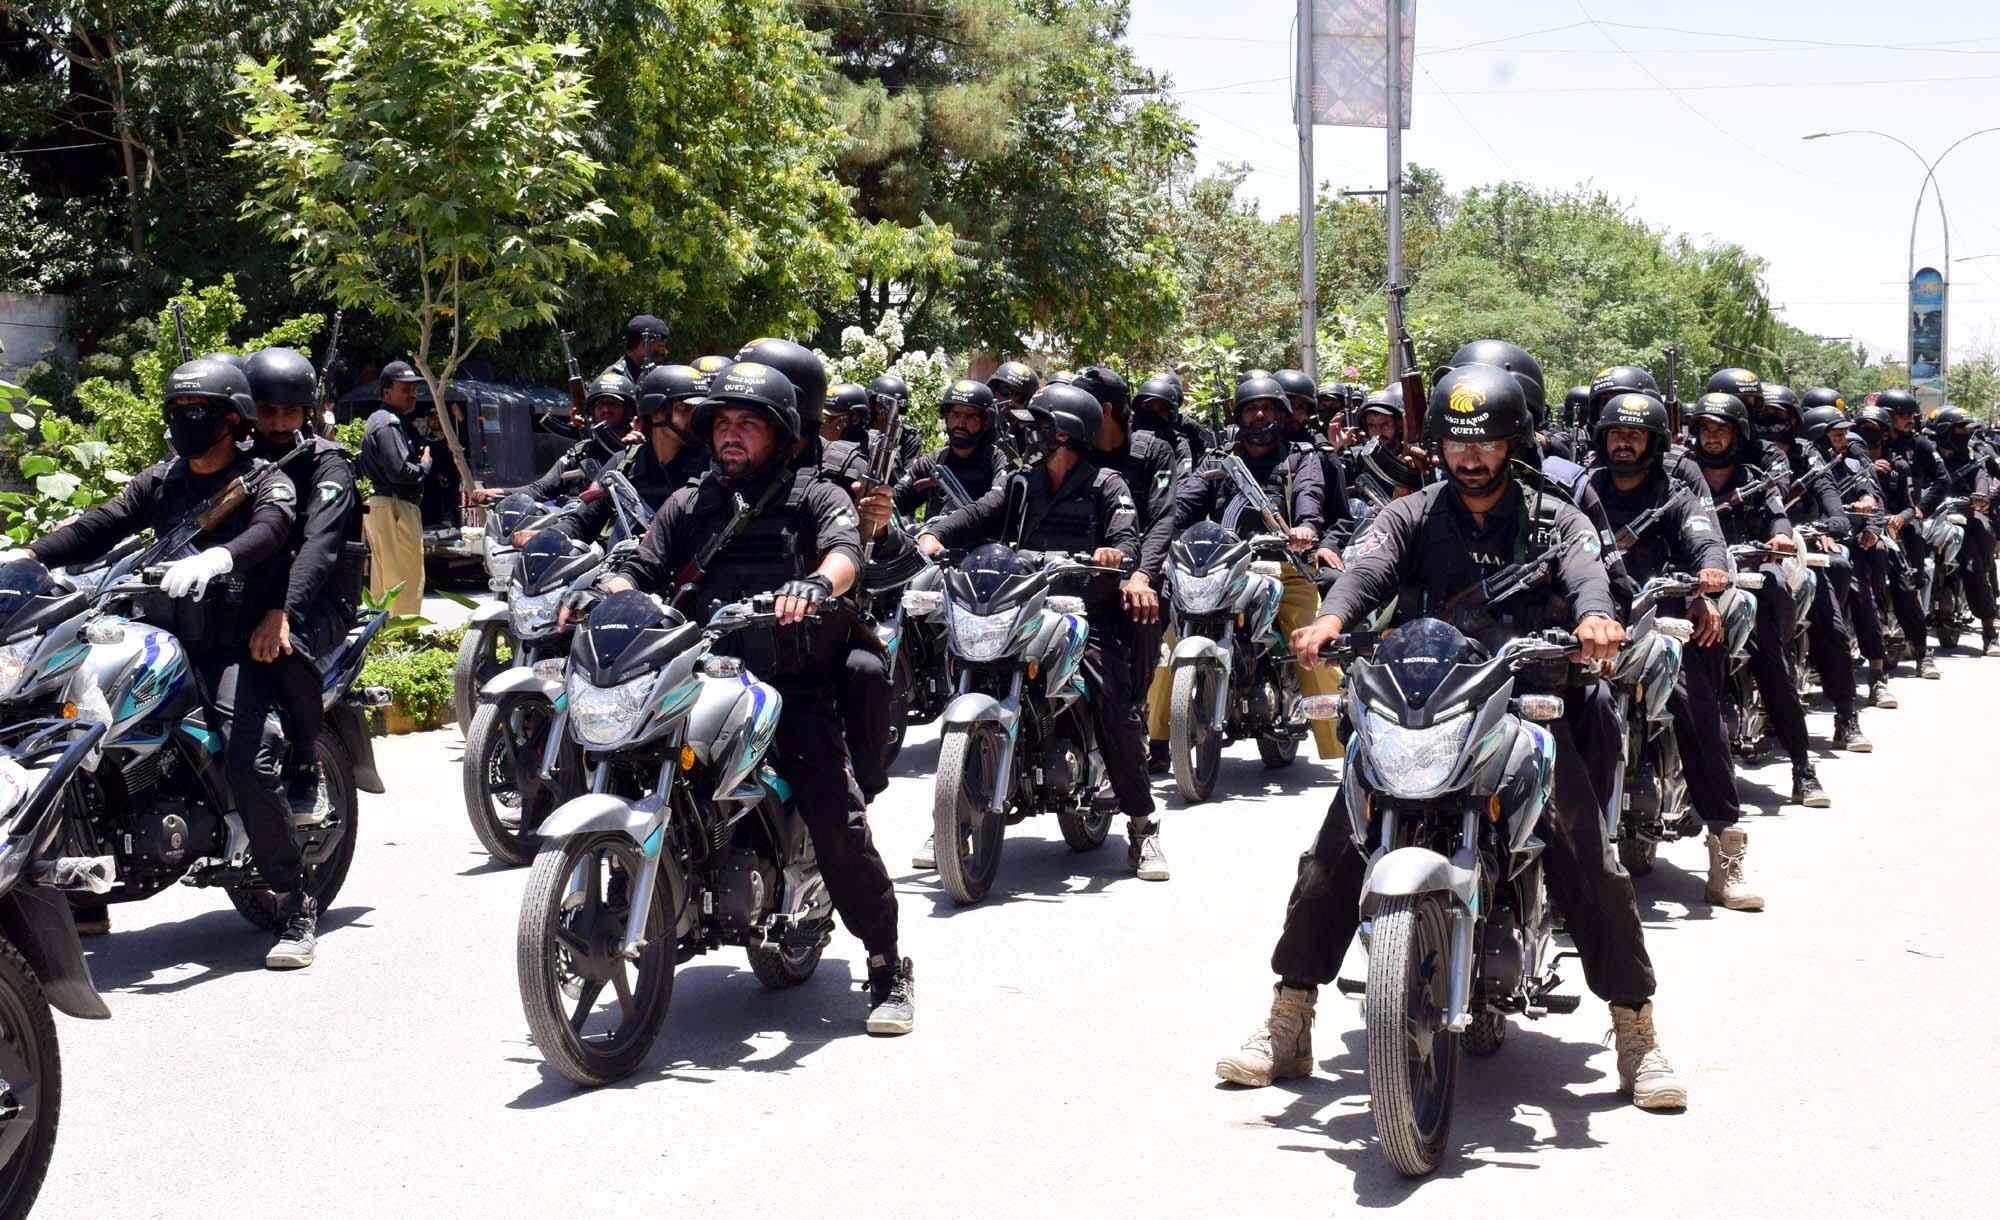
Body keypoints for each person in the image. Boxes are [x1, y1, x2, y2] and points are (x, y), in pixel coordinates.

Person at [1219, 360, 1685, 1111]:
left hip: (1521, 702)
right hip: (1424, 702)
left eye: (1487, 443)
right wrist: (1332, 619)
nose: (1470, 458)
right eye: (1458, 444)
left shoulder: (1556, 517)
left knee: (1586, 857)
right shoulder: (1410, 514)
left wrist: (1596, 618)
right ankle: (1289, 1020)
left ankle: (1636, 1032)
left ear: (1514, 443)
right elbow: (1363, 574)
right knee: (1334, 852)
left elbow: (1586, 574)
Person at [593, 359, 914, 1034]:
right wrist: (608, 591)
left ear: (782, 433)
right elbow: (642, 559)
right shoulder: (692, 500)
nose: (731, 436)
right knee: (617, 757)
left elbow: (845, 550)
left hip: (789, 685)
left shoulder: (816, 494)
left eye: (748, 424)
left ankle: (887, 964)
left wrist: (819, 585)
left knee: (835, 819)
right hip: (698, 677)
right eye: (722, 424)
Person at [9, 358, 306, 960]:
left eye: (196, 413)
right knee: (67, 732)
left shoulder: (262, 478)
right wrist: (28, 554)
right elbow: (102, 524)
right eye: (175, 412)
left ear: (233, 419)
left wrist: (218, 560)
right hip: (156, 634)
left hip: (232, 644)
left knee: (248, 761)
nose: (182, 424)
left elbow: (272, 529)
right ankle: (84, 894)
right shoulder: (163, 480)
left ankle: (294, 900)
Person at [918, 383, 1168, 882]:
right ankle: (950, 815)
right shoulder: (1020, 482)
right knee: (969, 666)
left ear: (1068, 434)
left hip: (1083, 613)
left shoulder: (1107, 484)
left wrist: (1114, 556)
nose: (1029, 436)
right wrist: (936, 534)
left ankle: (1143, 826)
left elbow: (1126, 537)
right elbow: (981, 513)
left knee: (1112, 702)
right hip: (1023, 608)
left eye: (1040, 428)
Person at [1585, 390, 1760, 909]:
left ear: (1655, 442)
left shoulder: (1676, 493)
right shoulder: (1583, 489)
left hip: (1655, 620)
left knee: (1696, 706)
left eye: (1634, 435)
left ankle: (1724, 849)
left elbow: (1705, 537)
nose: (1623, 443)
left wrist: (1708, 575)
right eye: (1616, 433)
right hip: (1589, 625)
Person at [1159, 375, 1341, 763]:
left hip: (1284, 566)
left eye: (1267, 408)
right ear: (1238, 415)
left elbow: (1311, 495)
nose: (1259, 415)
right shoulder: (1218, 460)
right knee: (1169, 640)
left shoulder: (1300, 456)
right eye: (1250, 408)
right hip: (1222, 568)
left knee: (1311, 639)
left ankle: (1340, 740)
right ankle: (1157, 741)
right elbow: (1186, 502)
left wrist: (1305, 528)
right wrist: (1159, 535)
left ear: (1281, 413)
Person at [243, 347, 365, 826]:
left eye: (288, 411)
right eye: (266, 411)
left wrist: (285, 611)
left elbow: (320, 544)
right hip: (244, 594)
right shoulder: (233, 458)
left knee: (283, 650)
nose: (276, 424)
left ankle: (304, 762)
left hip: (319, 602)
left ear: (305, 413)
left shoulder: (326, 464)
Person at [1689, 391, 1829, 806]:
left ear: (1737, 433)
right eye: (1704, 430)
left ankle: (1803, 767)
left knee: (1771, 663)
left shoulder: (1754, 475)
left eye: (1721, 430)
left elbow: (1776, 511)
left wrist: (1781, 534)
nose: (1712, 438)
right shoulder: (1682, 474)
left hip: (1743, 575)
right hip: (1695, 582)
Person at [1074, 365, 1179, 782]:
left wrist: (1142, 577)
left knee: (1146, 611)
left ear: (1103, 409)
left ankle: (1133, 709)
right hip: (1074, 573)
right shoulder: (1071, 449)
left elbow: (1162, 521)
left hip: (1136, 571)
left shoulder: (1152, 451)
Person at [1755, 383, 1870, 750]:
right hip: (1747, 554)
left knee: (1830, 622)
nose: (1772, 424)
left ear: (1794, 420)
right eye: (1764, 416)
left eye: (1779, 416)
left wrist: (1809, 530)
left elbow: (1837, 516)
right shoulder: (1745, 454)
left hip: (1798, 554)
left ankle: (1846, 714)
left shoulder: (1809, 457)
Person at [543, 364, 711, 546]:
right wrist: (546, 537)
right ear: (656, 413)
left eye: (699, 409)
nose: (696, 417)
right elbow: (583, 522)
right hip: (626, 568)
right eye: (685, 408)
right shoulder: (625, 462)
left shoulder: (712, 465)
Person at [1802, 394, 1896, 708]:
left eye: (1845, 433)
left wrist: (1871, 528)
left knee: (1861, 593)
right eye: (1837, 434)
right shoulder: (1801, 464)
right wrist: (1816, 531)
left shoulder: (1855, 461)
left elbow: (1875, 500)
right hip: (1806, 544)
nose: (1846, 439)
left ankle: (1877, 674)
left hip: (1849, 541)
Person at [1853, 403, 1938, 680]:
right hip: (1858, 535)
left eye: (1873, 431)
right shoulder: (1849, 465)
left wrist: (1900, 518)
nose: (1867, 435)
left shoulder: (1898, 465)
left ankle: (1922, 653)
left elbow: (1909, 506)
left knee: (1905, 589)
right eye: (1862, 429)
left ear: (1886, 434)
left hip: (1891, 536)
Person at [472, 373, 636, 506]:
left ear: (628, 410)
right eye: (600, 404)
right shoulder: (581, 453)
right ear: (591, 410)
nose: (606, 409)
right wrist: (501, 492)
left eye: (613, 403)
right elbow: (541, 489)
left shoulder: (638, 451)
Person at [1922, 405, 2000, 654]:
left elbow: (1982, 477)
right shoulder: (1927, 454)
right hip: (1931, 515)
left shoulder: (1972, 456)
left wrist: (1981, 496)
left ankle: (1989, 632)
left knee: (1973, 565)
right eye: (1959, 428)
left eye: (1966, 429)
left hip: (1965, 513)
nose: (1964, 433)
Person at [358, 360, 428, 616]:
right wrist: (424, 466)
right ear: (386, 391)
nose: (412, 395)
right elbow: (400, 471)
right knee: (404, 577)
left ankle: (385, 636)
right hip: (394, 506)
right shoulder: (388, 423)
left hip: (385, 506)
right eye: (405, 388)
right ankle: (403, 634)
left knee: (387, 578)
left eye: (414, 388)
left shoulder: (386, 420)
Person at [894, 378, 1011, 522]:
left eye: (970, 417)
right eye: (955, 414)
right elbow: (897, 499)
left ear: (986, 422)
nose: (960, 424)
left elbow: (998, 503)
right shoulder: (934, 460)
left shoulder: (996, 460)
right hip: (932, 539)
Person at [600, 313, 669, 381]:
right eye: (661, 346)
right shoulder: (615, 378)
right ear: (645, 345)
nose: (665, 351)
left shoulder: (654, 374)